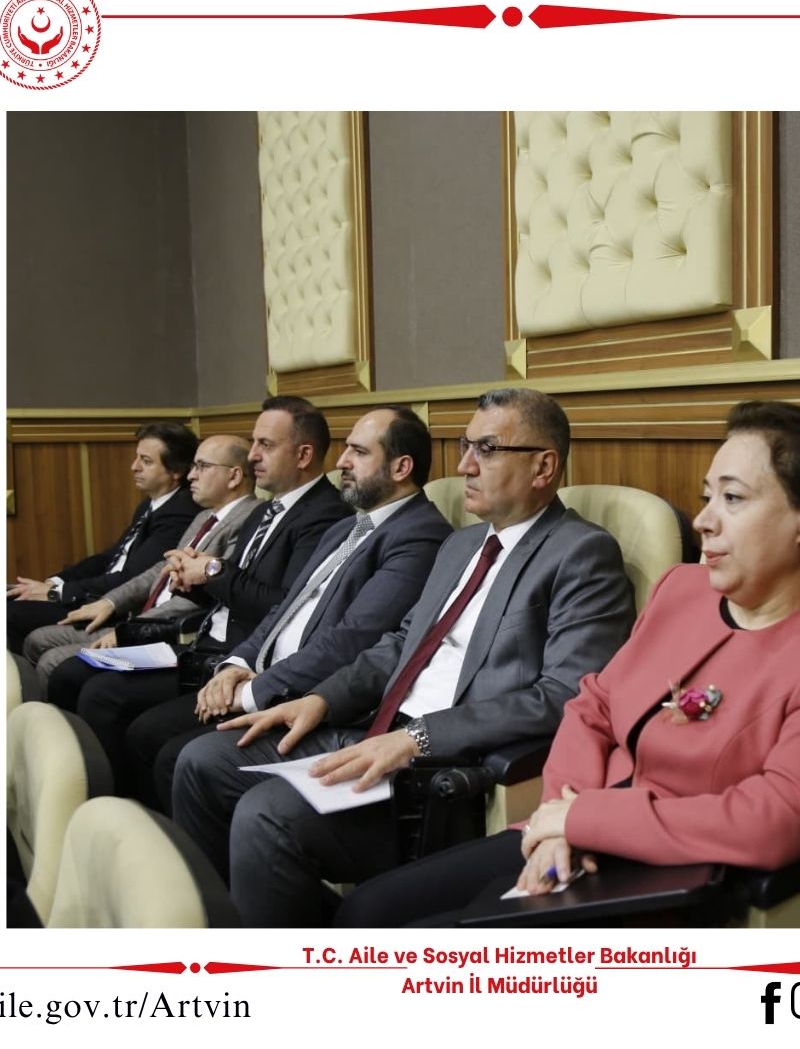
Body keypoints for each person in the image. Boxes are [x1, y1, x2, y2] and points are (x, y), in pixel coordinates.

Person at [332, 400, 800, 928]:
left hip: (674, 875)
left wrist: (584, 821)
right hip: (569, 832)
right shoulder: (684, 590)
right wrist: (559, 821)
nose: (704, 521)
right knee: (368, 910)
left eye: (733, 499)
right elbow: (593, 705)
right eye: (707, 498)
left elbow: (776, 818)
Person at [172, 387, 636, 926]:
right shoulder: (462, 544)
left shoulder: (580, 551)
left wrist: (418, 738)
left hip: (442, 764)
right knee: (202, 763)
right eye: (465, 446)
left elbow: (563, 695)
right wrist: (321, 699)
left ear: (544, 466)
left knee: (266, 816)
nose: (464, 465)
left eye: (486, 449)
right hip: (371, 727)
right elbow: (401, 641)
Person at [125, 406, 453, 809]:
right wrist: (236, 665)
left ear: (401, 467)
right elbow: (283, 610)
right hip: (265, 676)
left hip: (308, 695)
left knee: (182, 757)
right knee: (147, 734)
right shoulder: (348, 526)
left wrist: (253, 692)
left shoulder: (421, 535)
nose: (342, 462)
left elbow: (353, 639)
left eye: (358, 452)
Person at [34, 395, 351, 795]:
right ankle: (83, 799)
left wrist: (213, 572)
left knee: (113, 705)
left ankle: (121, 812)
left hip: (240, 660)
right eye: (254, 442)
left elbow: (286, 608)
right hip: (201, 645)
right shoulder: (266, 511)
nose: (253, 455)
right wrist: (194, 583)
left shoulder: (326, 515)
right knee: (76, 674)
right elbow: (232, 595)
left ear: (303, 455)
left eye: (265, 445)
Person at [20, 434, 259, 693]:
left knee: (54, 661)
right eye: (193, 466)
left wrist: (132, 630)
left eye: (202, 466)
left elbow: (206, 598)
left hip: (167, 631)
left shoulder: (249, 520)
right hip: (140, 618)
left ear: (234, 476)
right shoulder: (204, 516)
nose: (191, 475)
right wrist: (110, 602)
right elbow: (159, 569)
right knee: (38, 640)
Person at [6, 421, 200, 653]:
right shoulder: (150, 504)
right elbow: (108, 558)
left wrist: (56, 594)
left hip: (113, 607)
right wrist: (55, 582)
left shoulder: (180, 512)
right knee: (6, 597)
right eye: (136, 457)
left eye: (146, 461)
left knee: (8, 614)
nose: (134, 467)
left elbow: (131, 578)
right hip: (95, 594)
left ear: (176, 471)